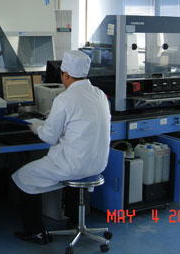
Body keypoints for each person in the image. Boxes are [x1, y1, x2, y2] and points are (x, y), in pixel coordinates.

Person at [12, 50, 111, 244]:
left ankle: (34, 231)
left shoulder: (65, 99)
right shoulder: (99, 94)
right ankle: (75, 221)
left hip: (72, 165)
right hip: (97, 164)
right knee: (74, 172)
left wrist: (37, 127)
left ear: (65, 75)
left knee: (24, 176)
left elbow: (49, 137)